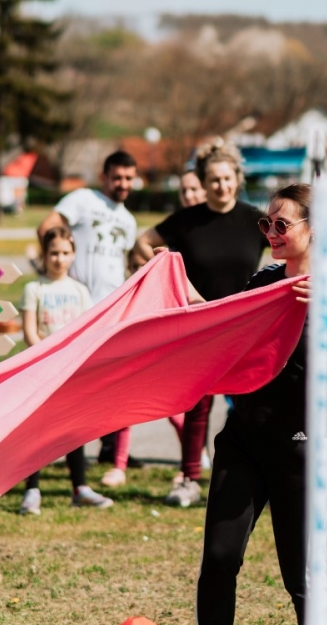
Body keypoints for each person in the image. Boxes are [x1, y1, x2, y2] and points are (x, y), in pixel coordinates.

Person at [193, 183, 327, 625]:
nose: (270, 232)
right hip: (244, 442)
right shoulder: (261, 280)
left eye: (281, 224)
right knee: (220, 558)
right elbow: (220, 329)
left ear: (314, 230)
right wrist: (172, 281)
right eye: (265, 223)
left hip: (305, 450)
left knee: (304, 576)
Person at [132, 139, 268, 505]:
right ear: (204, 183)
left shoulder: (255, 220)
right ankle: (189, 478)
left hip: (245, 326)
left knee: (251, 404)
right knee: (198, 406)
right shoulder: (187, 221)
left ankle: (255, 477)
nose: (221, 186)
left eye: (227, 179)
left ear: (237, 179)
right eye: (214, 180)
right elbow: (143, 242)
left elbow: (291, 247)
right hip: (201, 325)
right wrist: (168, 274)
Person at [37, 151, 139, 484]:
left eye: (129, 178)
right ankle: (45, 451)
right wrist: (56, 274)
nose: (123, 184)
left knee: (114, 385)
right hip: (76, 313)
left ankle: (110, 451)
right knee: (65, 389)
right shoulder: (83, 199)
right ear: (105, 176)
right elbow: (49, 225)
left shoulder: (128, 221)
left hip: (113, 315)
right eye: (117, 177)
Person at [18, 226, 114, 514]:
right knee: (37, 431)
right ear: (44, 255)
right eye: (53, 253)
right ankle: (32, 489)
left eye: (64, 253)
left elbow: (88, 331)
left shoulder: (79, 291)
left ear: (73, 254)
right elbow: (30, 333)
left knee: (72, 429)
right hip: (42, 371)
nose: (59, 259)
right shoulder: (34, 289)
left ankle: (80, 488)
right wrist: (49, 359)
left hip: (72, 373)